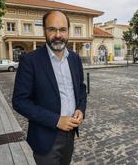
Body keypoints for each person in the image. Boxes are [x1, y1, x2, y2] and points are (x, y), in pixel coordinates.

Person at [12, 10, 87, 165]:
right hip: (45, 138)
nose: (58, 35)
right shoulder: (30, 60)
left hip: (71, 133)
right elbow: (20, 101)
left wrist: (80, 108)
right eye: (52, 29)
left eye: (62, 29)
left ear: (68, 31)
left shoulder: (75, 58)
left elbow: (81, 89)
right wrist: (56, 120)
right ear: (44, 31)